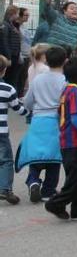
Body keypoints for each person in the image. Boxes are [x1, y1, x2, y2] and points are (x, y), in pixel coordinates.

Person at [44, 57, 77, 221]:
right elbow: (76, 119)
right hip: (73, 142)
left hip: (67, 141)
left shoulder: (66, 89)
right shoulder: (76, 92)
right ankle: (56, 203)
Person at [20, 45, 67, 202]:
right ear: (65, 61)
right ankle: (48, 190)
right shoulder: (64, 80)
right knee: (54, 156)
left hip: (38, 119)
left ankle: (33, 180)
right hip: (55, 119)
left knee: (37, 155)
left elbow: (28, 101)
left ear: (46, 59)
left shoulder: (38, 79)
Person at [0, 55, 29, 205]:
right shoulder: (8, 89)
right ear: (4, 71)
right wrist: (28, 112)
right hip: (1, 132)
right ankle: (5, 189)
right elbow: (18, 109)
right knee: (5, 160)